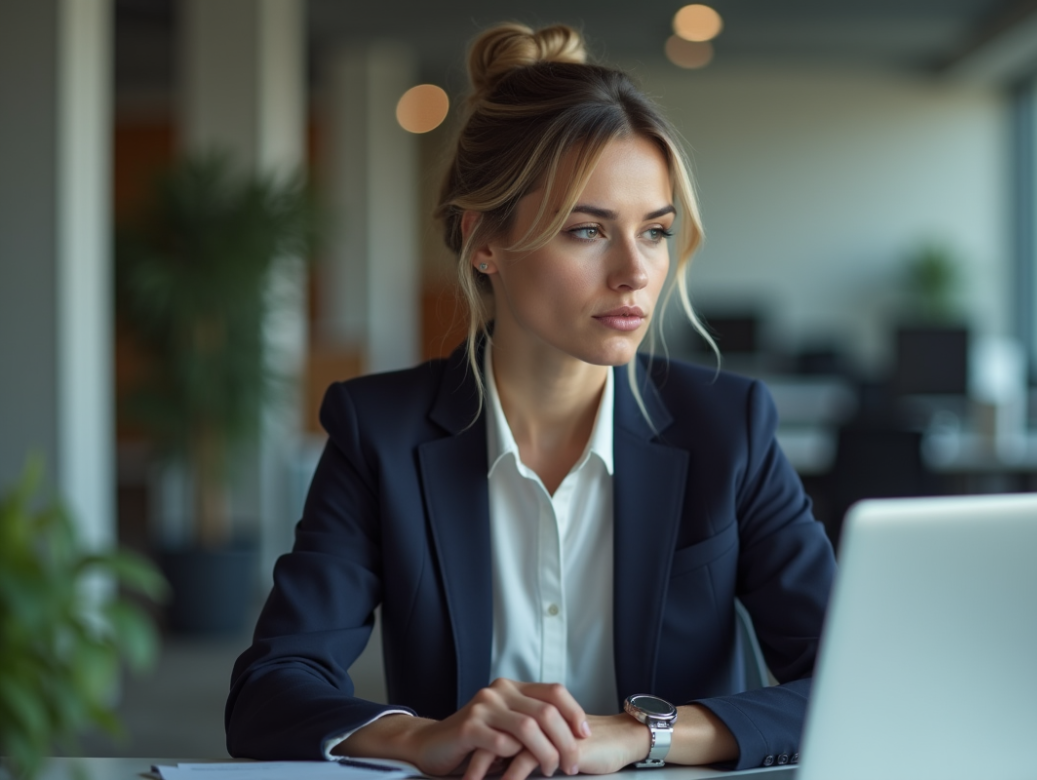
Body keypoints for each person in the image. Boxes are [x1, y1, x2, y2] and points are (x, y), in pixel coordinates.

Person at [226, 22, 836, 780]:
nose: (635, 273)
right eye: (587, 231)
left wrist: (640, 735)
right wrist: (421, 737)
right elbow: (270, 691)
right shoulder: (378, 432)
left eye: (654, 232)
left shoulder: (729, 429)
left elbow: (851, 680)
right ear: (484, 241)